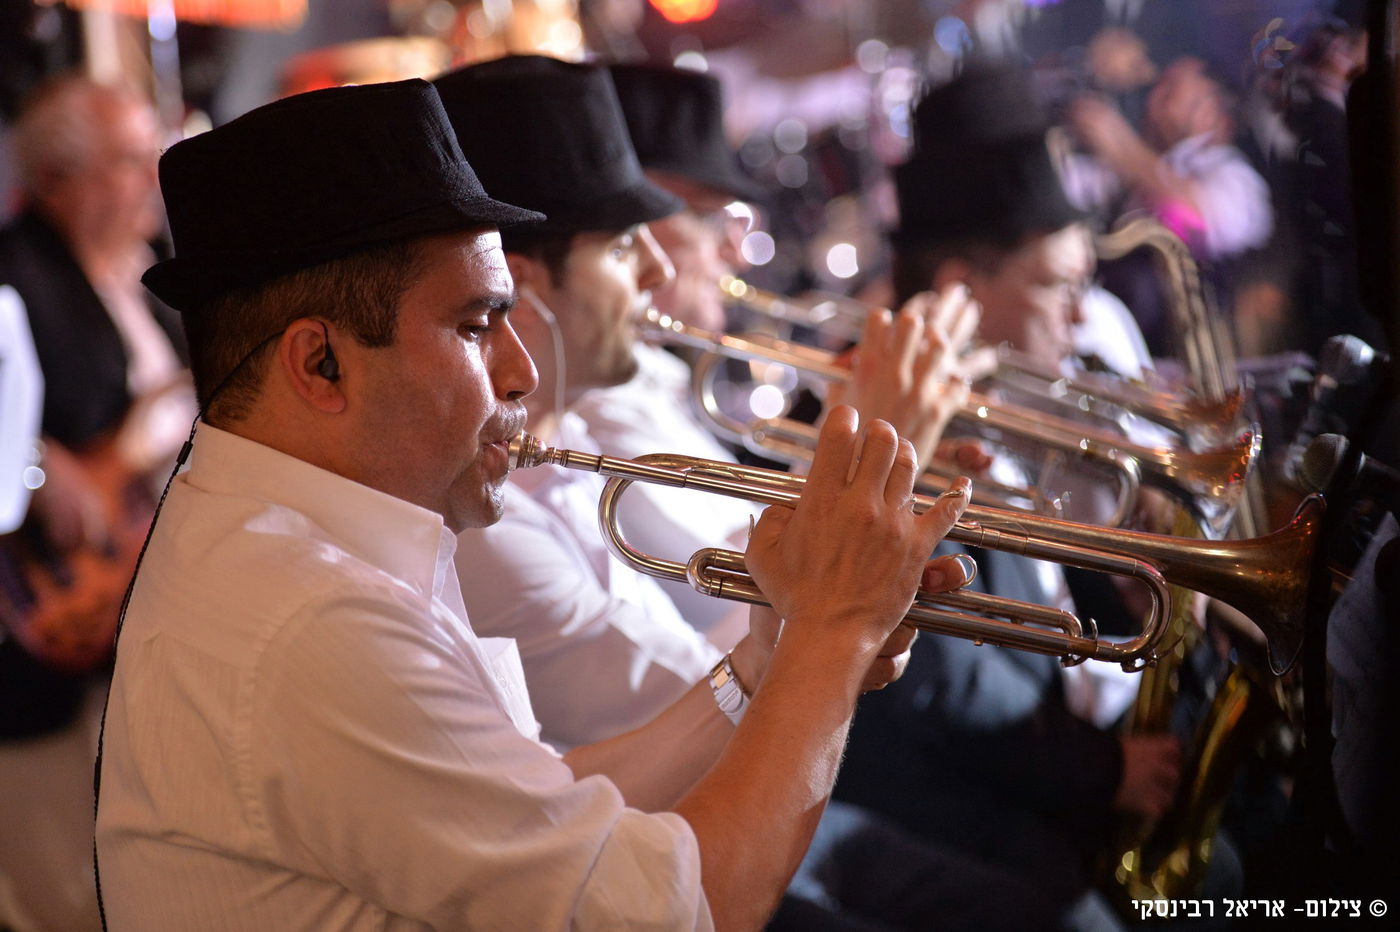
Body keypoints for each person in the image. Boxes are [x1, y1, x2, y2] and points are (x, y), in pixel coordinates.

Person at [94, 77, 973, 931]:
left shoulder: (285, 549)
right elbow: (680, 909)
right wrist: (832, 632)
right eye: (477, 326)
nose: (519, 374)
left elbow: (551, 805)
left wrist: (766, 661)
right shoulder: (308, 622)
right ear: (320, 364)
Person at [433, 57, 1056, 931]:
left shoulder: (592, 420)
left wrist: (865, 494)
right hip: (684, 842)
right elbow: (686, 698)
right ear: (529, 285)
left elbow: (765, 603)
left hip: (740, 783)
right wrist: (871, 460)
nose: (656, 268)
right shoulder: (488, 512)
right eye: (624, 242)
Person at [837, 64, 1193, 930]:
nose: (1080, 320)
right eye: (1056, 286)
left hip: (1060, 759)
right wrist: (1101, 771)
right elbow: (944, 672)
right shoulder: (864, 409)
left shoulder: (1019, 382)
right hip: (973, 802)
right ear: (961, 288)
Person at [0, 75, 188, 932]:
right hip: (43, 617)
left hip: (141, 609)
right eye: (126, 160)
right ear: (55, 180)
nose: (154, 173)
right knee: (63, 879)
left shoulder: (149, 271)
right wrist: (36, 464)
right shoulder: (15, 267)